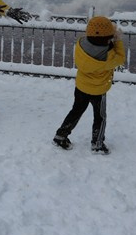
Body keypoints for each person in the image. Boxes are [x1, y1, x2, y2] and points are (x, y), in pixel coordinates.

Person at [53, 16, 126, 153]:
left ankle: (60, 135)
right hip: (98, 90)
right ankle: (97, 144)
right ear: (108, 36)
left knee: (76, 111)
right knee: (100, 117)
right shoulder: (108, 55)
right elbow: (121, 58)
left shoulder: (80, 43)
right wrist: (117, 40)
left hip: (81, 86)